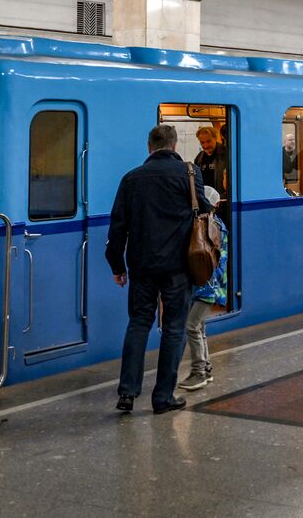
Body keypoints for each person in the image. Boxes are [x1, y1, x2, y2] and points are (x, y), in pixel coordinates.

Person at [106, 124, 210, 415]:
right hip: (179, 266)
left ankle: (127, 393)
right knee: (174, 328)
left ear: (149, 147)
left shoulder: (131, 178)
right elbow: (204, 209)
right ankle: (163, 397)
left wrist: (117, 265)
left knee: (139, 323)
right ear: (174, 146)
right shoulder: (190, 173)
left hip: (142, 265)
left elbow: (117, 227)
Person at [181, 186, 226, 391]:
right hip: (206, 286)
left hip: (205, 287)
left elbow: (214, 261)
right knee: (199, 327)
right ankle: (206, 368)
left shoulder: (207, 226)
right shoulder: (215, 224)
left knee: (192, 326)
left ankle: (199, 371)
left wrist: (205, 281)